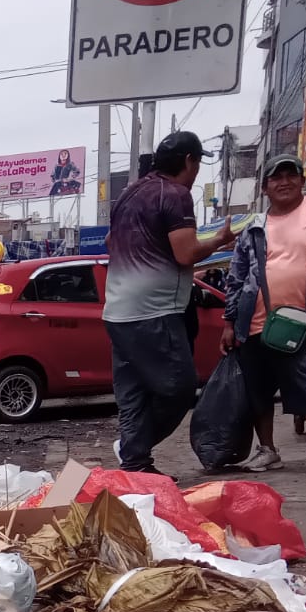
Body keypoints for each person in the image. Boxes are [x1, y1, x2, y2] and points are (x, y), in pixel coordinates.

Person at [103, 131, 235, 474]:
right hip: (155, 310)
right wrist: (219, 241)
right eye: (197, 163)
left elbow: (109, 241)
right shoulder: (175, 195)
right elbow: (186, 252)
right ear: (190, 161)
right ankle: (133, 448)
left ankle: (135, 464)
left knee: (132, 392)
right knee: (179, 388)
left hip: (117, 311)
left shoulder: (129, 193)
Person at [222, 154, 306, 479]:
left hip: (303, 321)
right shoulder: (254, 226)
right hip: (254, 321)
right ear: (266, 187)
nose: (284, 182)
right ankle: (267, 450)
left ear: (301, 179)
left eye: (290, 175)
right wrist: (229, 321)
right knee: (258, 390)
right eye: (276, 178)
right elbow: (237, 275)